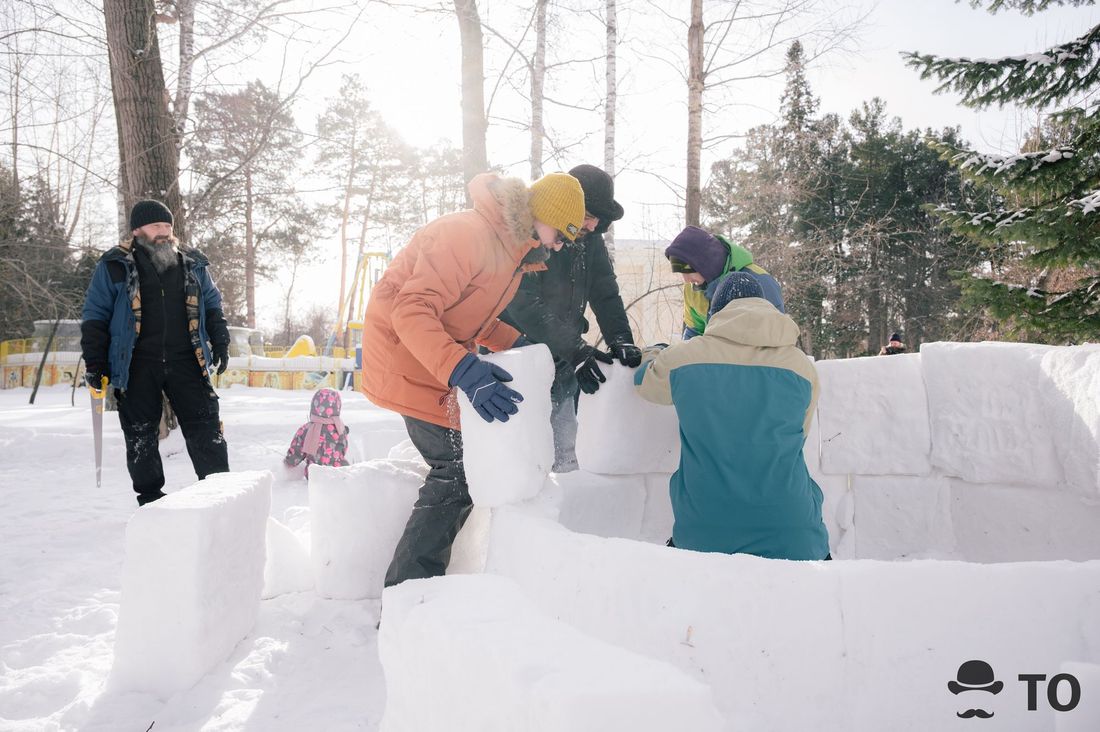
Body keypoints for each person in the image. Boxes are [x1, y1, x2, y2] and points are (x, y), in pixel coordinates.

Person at [360, 171, 585, 586]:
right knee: (456, 470)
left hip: (430, 354)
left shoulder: (509, 252)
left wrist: (523, 345)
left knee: (466, 463)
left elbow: (472, 317)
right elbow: (411, 311)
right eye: (561, 235)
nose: (559, 246)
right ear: (543, 215)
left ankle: (418, 586)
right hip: (403, 355)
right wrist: (464, 369)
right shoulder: (466, 235)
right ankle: (407, 591)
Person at [634, 271, 829, 560]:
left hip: (704, 531)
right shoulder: (801, 367)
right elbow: (800, 434)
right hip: (793, 533)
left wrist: (654, 352)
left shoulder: (684, 358)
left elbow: (645, 384)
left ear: (715, 312)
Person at [80, 200, 231, 506]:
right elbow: (96, 315)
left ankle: (219, 493)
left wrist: (221, 340)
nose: (163, 232)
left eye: (167, 226)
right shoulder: (114, 265)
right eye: (156, 226)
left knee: (205, 427)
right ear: (137, 230)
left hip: (187, 359)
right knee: (140, 435)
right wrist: (95, 362)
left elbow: (212, 304)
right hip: (135, 363)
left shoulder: (192, 263)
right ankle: (150, 500)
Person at [500, 164, 639, 472]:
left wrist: (620, 339)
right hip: (517, 357)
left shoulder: (591, 241)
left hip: (565, 360)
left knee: (565, 453)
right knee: (520, 458)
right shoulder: (532, 236)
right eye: (588, 215)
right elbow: (522, 304)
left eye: (597, 219)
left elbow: (605, 293)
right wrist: (576, 349)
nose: (592, 224)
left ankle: (565, 496)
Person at [664, 225, 785, 339]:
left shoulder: (760, 281)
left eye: (688, 270)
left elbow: (775, 334)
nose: (686, 279)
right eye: (679, 271)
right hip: (711, 352)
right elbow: (694, 332)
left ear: (704, 263)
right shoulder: (692, 288)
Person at [284, 387, 350, 476]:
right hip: (340, 472)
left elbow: (297, 449)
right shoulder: (340, 428)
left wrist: (290, 461)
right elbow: (343, 448)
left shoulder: (307, 429)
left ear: (314, 407)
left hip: (315, 474)